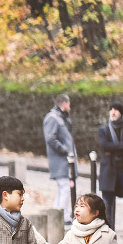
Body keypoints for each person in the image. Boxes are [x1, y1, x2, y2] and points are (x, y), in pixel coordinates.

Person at [97, 101, 123, 243]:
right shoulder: (103, 130)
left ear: (121, 113)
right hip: (109, 171)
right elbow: (104, 146)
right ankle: (109, 236)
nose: (113, 112)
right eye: (111, 109)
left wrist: (114, 148)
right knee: (108, 204)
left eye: (116, 110)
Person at [43, 94, 76, 224]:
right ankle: (63, 216)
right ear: (64, 104)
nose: (70, 107)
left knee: (63, 187)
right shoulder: (53, 118)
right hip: (60, 160)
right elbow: (51, 138)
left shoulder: (60, 117)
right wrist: (65, 150)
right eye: (69, 104)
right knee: (65, 187)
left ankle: (57, 214)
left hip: (64, 159)